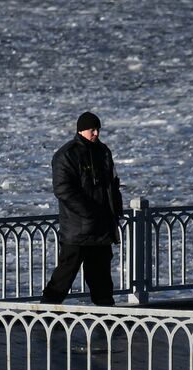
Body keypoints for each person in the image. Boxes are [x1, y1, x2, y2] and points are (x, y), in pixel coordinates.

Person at [41, 111, 123, 306]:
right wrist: (89, 213)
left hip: (101, 229)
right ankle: (45, 312)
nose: (96, 133)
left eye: (97, 129)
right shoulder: (66, 155)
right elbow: (63, 190)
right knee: (65, 273)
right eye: (91, 130)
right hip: (78, 229)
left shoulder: (103, 151)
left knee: (101, 275)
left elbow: (112, 184)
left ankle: (108, 315)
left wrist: (114, 210)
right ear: (81, 130)